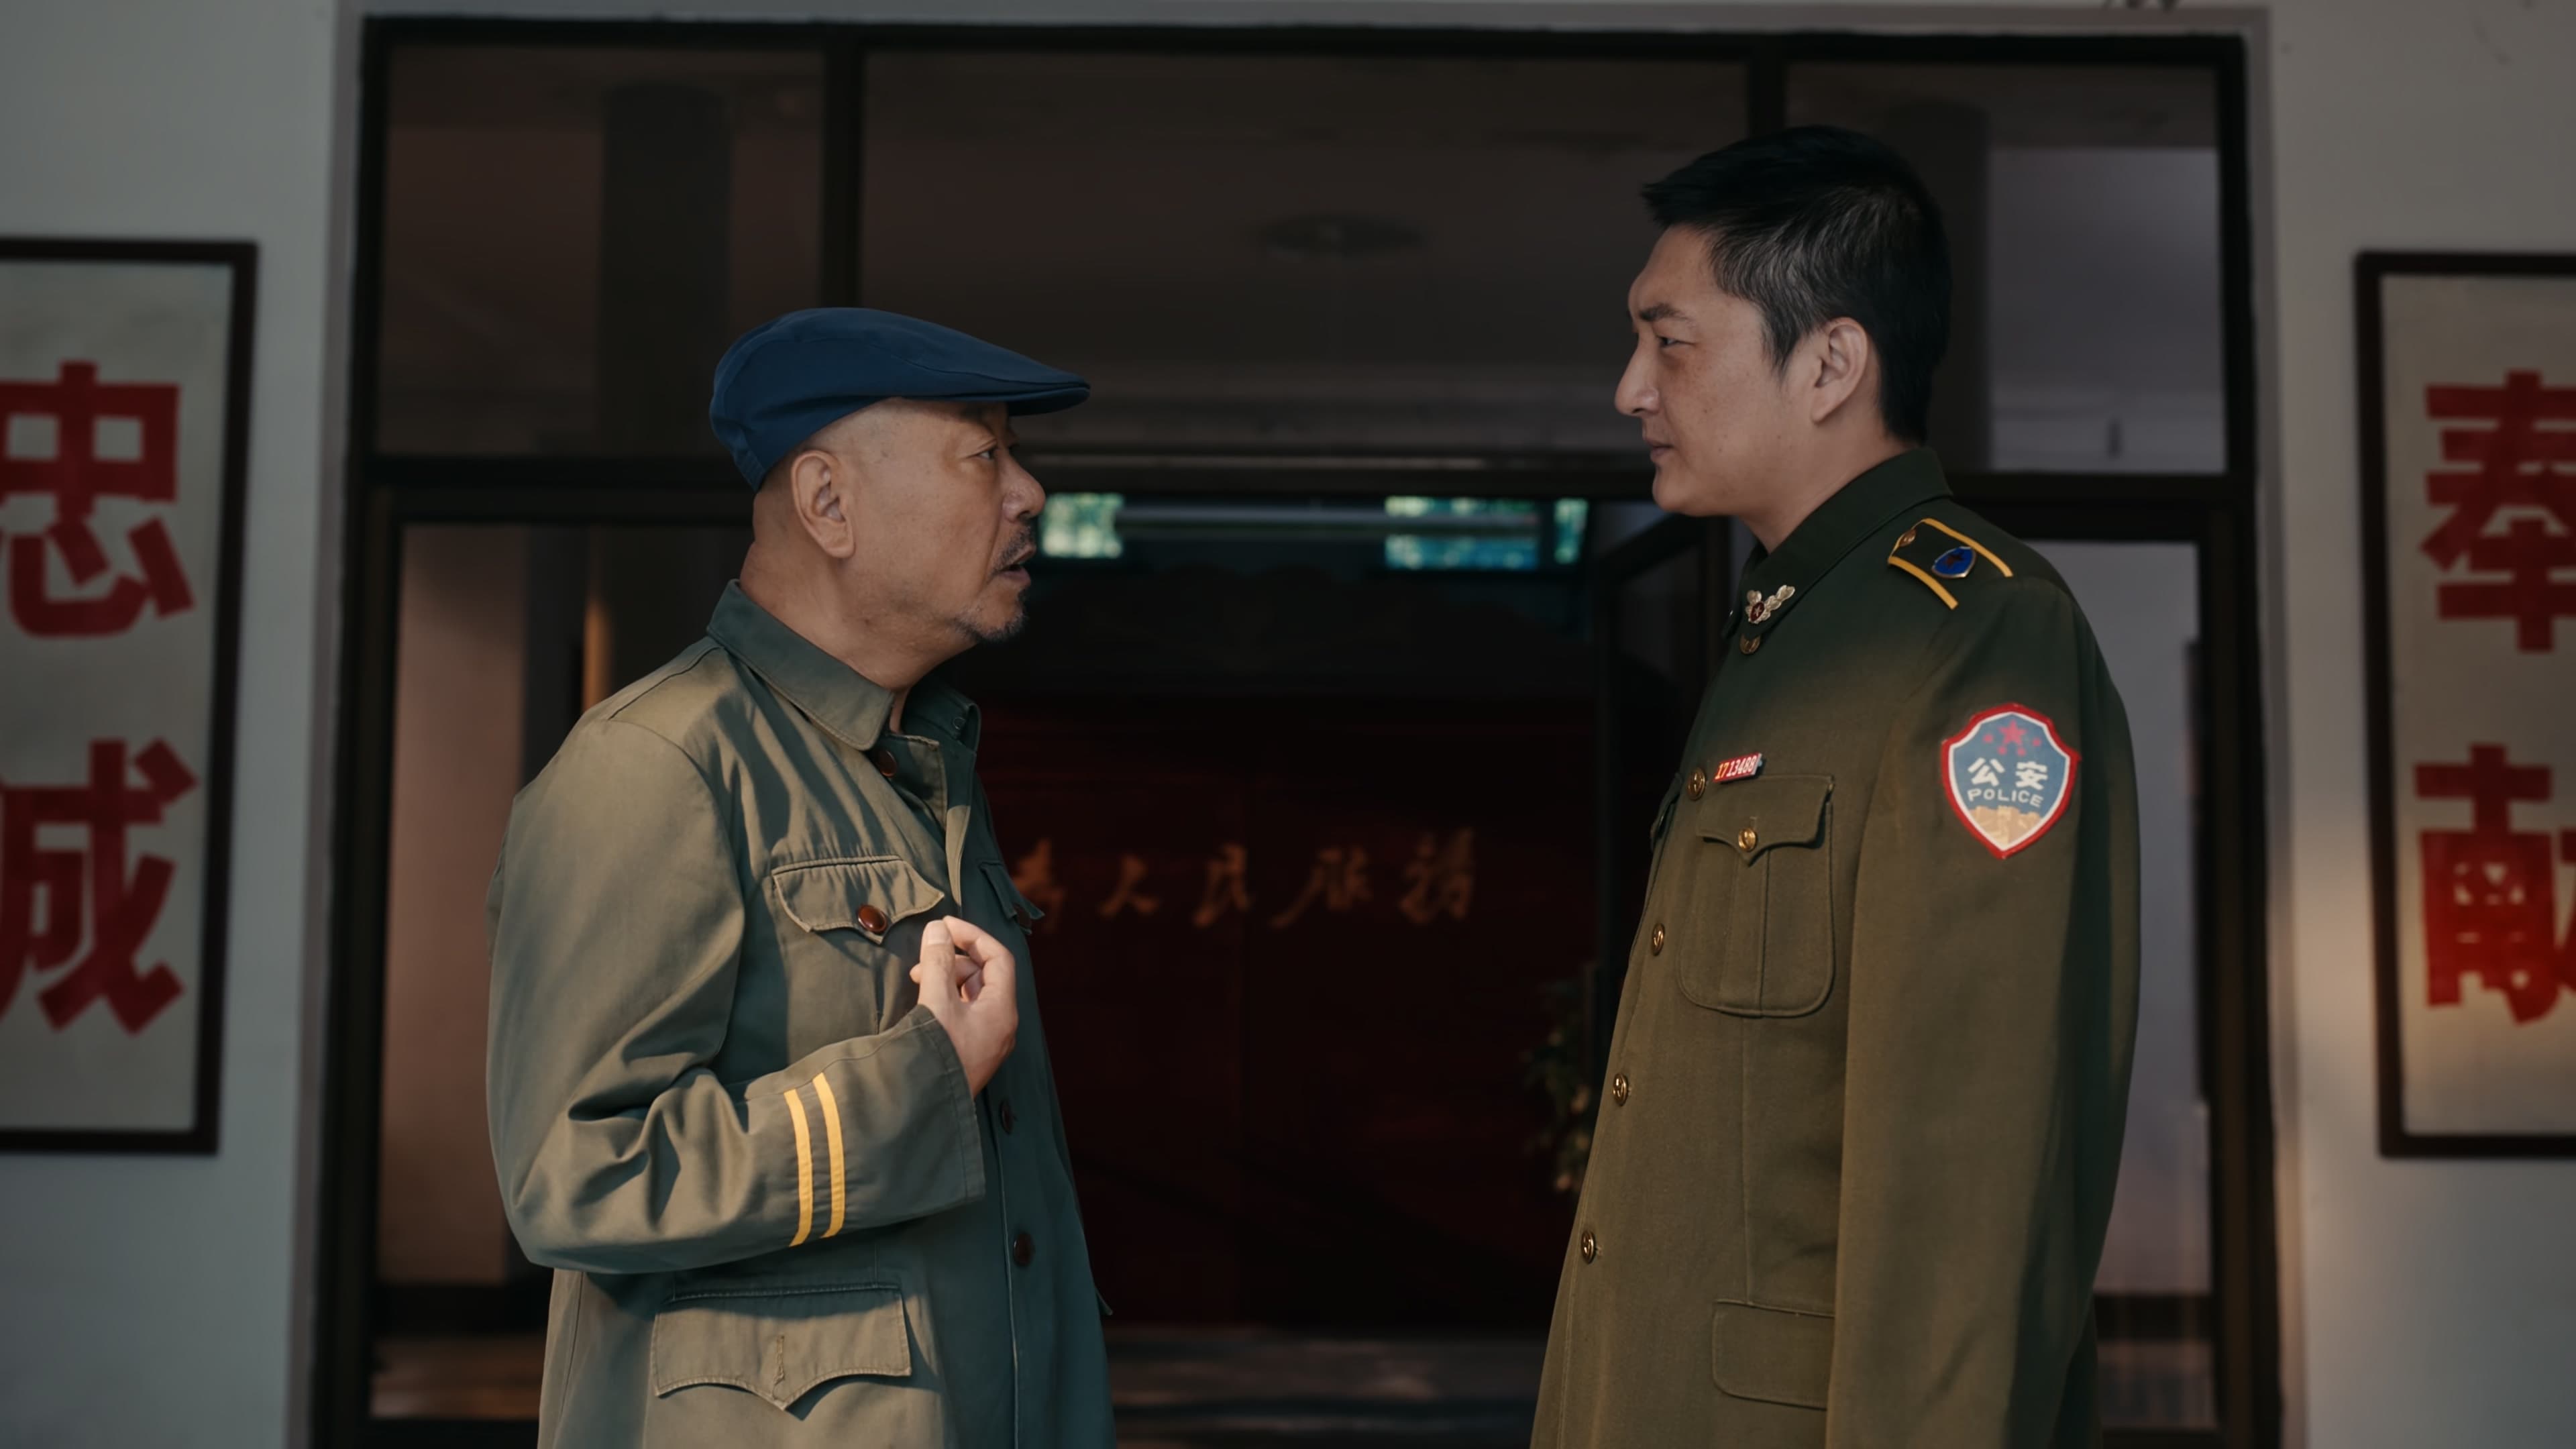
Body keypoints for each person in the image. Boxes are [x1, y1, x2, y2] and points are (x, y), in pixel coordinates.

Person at [1532, 127, 2141, 1448]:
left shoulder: (1974, 637)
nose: (1631, 389)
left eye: (1671, 342)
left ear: (1829, 364)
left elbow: (1971, 1162)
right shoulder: (1789, 632)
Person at [485, 308, 1112, 1448]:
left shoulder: (918, 764)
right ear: (828, 502)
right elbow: (576, 1176)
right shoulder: (660, 762)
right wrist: (921, 1081)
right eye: (984, 453)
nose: (1028, 493)